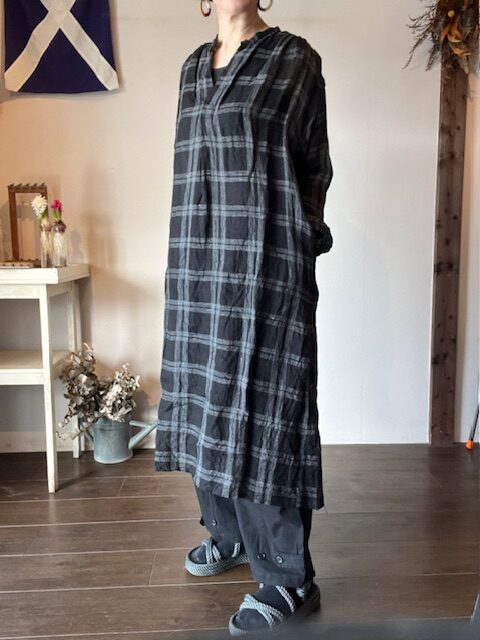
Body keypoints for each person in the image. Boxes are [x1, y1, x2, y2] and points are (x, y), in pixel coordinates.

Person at [154, 0, 334, 634]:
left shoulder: (293, 59)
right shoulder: (191, 68)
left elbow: (315, 166)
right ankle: (228, 534)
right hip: (198, 265)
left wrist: (300, 236)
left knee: (264, 407)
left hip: (264, 264)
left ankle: (288, 578)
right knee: (203, 397)